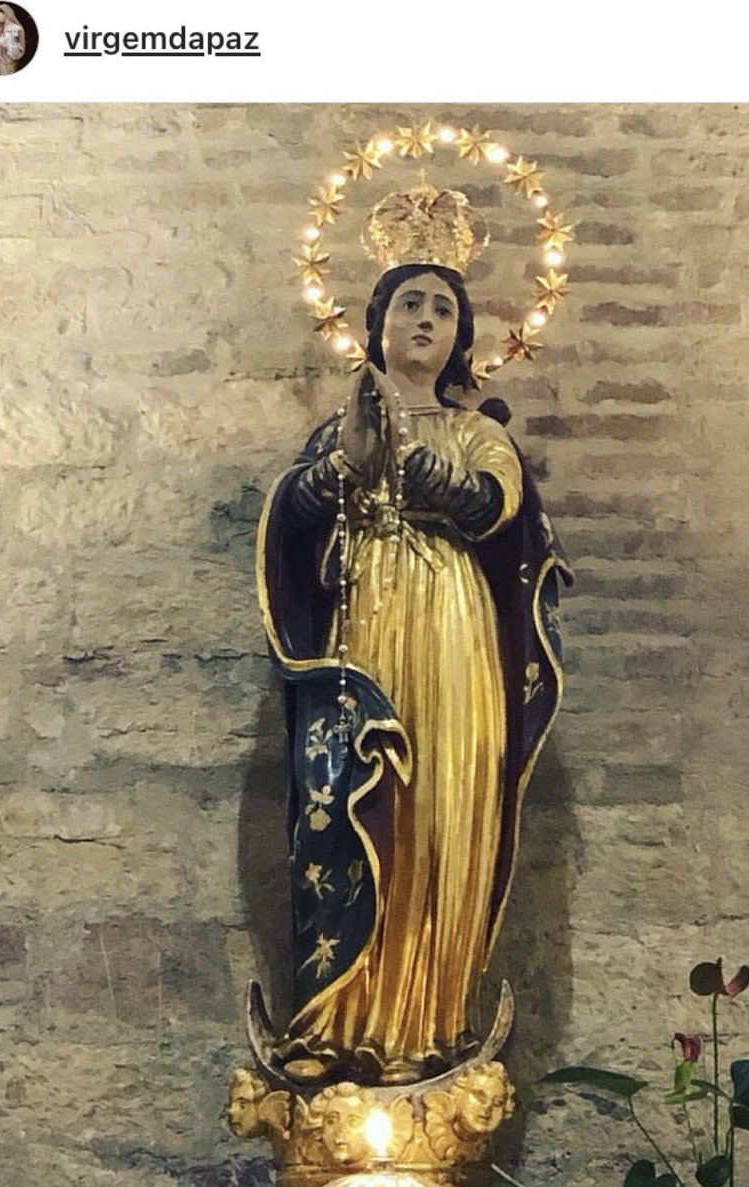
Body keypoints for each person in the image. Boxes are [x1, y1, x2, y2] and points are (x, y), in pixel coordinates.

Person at [257, 190, 570, 1088]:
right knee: (355, 803)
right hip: (361, 635)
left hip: (456, 636)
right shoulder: (340, 433)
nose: (426, 319)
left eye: (442, 308)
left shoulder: (480, 433)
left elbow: (495, 510)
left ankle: (426, 1027)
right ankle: (337, 1021)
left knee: (440, 810)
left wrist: (424, 469)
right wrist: (341, 467)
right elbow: (291, 524)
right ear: (377, 323)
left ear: (462, 333)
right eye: (409, 303)